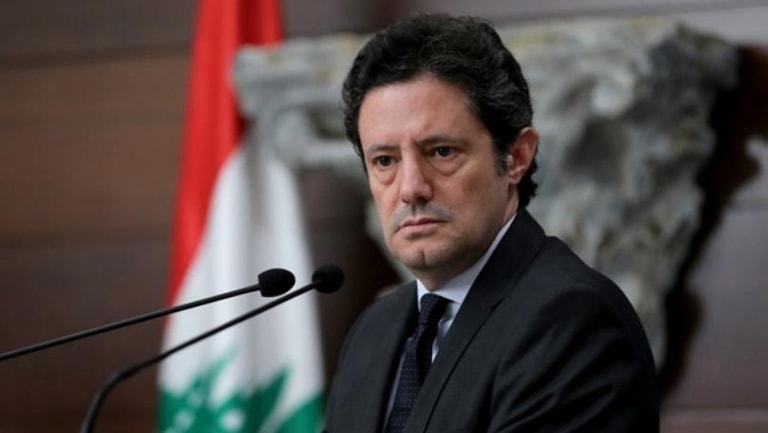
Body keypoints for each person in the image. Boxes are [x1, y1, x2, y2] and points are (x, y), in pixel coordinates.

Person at [324, 14, 659, 433]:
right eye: (385, 160)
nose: (410, 189)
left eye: (441, 152)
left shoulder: (571, 319)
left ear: (516, 157)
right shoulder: (374, 332)